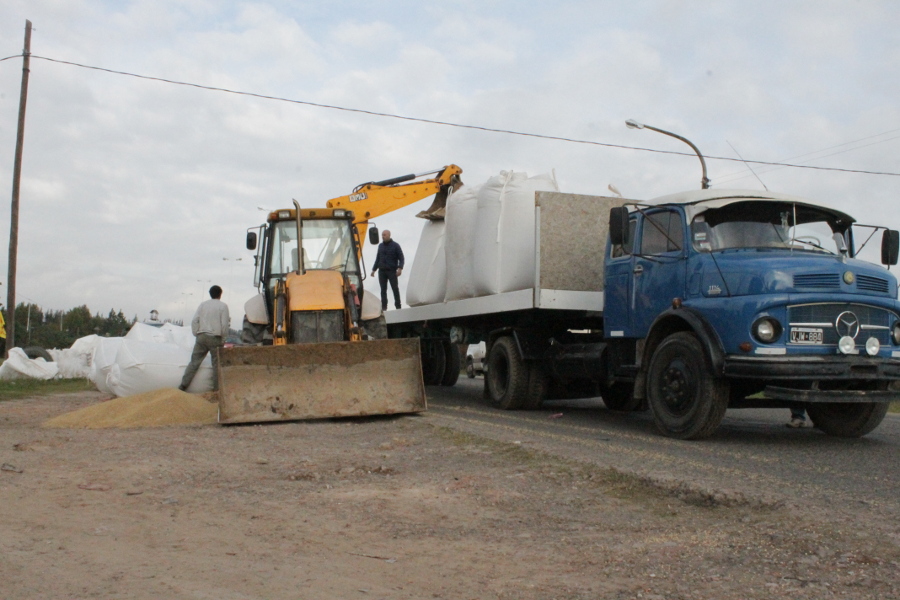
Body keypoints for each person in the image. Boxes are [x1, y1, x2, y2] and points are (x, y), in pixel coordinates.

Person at [179, 285, 230, 392]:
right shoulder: (223, 306)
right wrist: (223, 339)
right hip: (215, 338)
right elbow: (225, 325)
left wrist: (196, 333)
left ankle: (183, 386)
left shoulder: (203, 305)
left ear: (210, 294)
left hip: (201, 336)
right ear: (220, 294)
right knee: (217, 365)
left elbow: (194, 320)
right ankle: (216, 391)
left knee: (194, 362)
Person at [371, 229, 404, 311]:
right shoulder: (380, 246)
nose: (383, 236)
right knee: (383, 290)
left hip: (392, 271)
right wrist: (373, 270)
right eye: (382, 235)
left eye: (384, 235)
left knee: (395, 288)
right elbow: (378, 258)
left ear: (389, 235)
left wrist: (400, 268)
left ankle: (398, 306)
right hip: (382, 271)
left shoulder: (395, 245)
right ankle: (384, 307)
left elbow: (401, 258)